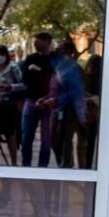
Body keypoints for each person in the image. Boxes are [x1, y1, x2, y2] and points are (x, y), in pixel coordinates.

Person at [40, 39, 85, 169]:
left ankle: (67, 166)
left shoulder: (75, 69)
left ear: (70, 53)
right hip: (56, 110)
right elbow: (54, 90)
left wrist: (56, 100)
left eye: (61, 50)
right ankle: (64, 163)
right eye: (58, 50)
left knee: (65, 139)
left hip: (71, 111)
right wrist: (45, 98)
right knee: (55, 139)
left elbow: (76, 92)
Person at [20, 32, 55, 167]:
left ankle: (42, 166)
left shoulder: (55, 59)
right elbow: (25, 80)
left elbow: (54, 79)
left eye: (37, 42)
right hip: (31, 101)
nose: (35, 45)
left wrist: (38, 70)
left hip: (48, 103)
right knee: (27, 136)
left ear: (47, 41)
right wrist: (30, 70)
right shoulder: (30, 58)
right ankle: (26, 164)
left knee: (46, 139)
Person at [0, 44, 24, 165]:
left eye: (2, 55)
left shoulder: (13, 68)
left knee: (10, 134)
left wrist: (10, 87)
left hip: (8, 105)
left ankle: (13, 163)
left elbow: (23, 84)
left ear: (6, 56)